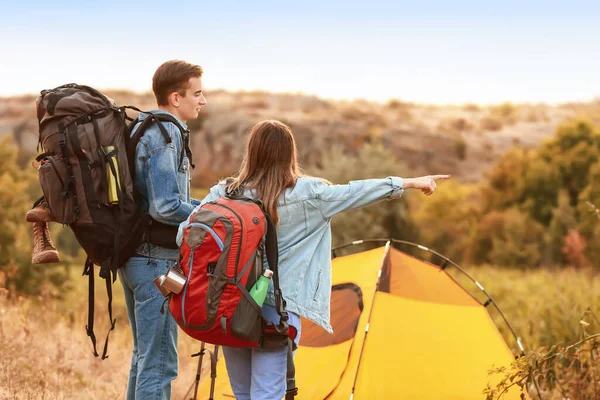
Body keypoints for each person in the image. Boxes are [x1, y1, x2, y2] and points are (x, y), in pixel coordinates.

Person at [177, 119, 450, 400]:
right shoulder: (310, 195)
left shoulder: (225, 192)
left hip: (231, 305)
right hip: (278, 310)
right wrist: (409, 182)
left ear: (252, 152)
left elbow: (184, 235)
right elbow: (357, 191)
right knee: (267, 394)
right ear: (289, 154)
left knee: (243, 394)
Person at [120, 60, 207, 400]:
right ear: (175, 97)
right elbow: (167, 206)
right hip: (156, 264)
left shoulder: (142, 126)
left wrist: (204, 204)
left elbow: (164, 199)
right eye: (197, 93)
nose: (202, 100)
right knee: (158, 365)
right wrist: (212, 215)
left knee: (145, 358)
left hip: (136, 260)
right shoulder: (166, 133)